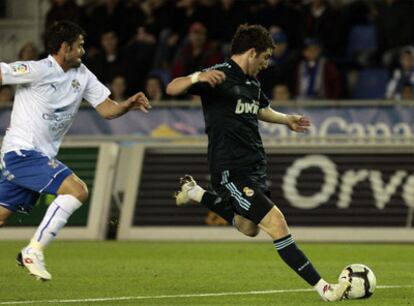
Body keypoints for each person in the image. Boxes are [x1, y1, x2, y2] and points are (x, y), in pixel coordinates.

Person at [166, 24, 350, 302]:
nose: (266, 64)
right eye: (264, 57)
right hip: (230, 168)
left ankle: (193, 192)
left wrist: (286, 119)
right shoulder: (219, 76)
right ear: (252, 52)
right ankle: (325, 289)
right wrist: (197, 77)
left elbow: (260, 109)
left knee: (249, 227)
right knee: (277, 223)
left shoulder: (252, 83)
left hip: (255, 167)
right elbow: (172, 87)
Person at [0, 21, 150, 281]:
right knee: (77, 190)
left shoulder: (82, 75)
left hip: (40, 157)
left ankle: (32, 251)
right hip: (21, 153)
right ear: (64, 47)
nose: (83, 51)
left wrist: (127, 104)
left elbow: (106, 109)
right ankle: (32, 251)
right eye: (79, 46)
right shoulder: (37, 70)